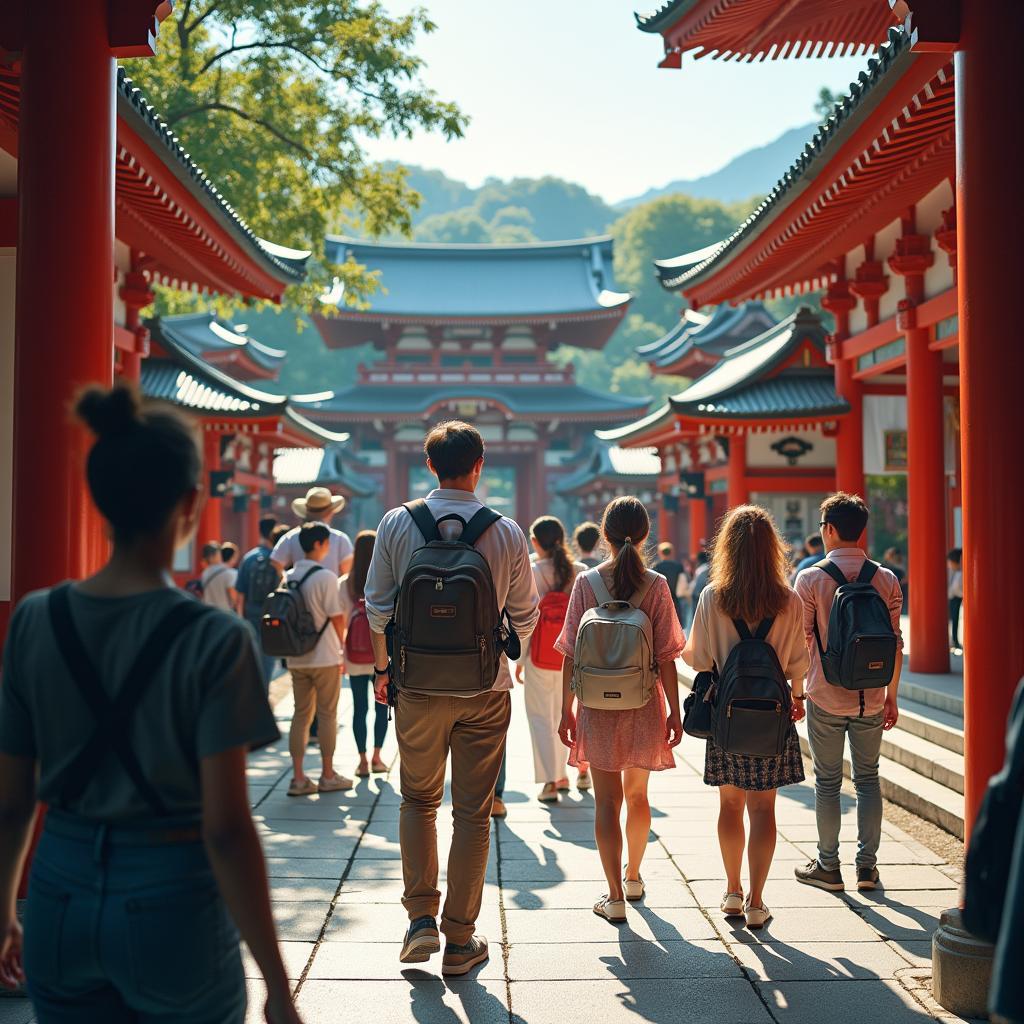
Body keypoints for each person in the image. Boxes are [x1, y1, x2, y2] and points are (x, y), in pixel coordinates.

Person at [0, 383, 300, 1024]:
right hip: (173, 893)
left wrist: (5, 912)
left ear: (100, 498)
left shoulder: (33, 621)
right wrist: (277, 982)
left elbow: (12, 799)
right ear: (191, 504)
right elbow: (225, 827)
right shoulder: (216, 639)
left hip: (60, 889)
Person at [365, 421, 538, 977]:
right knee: (473, 814)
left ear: (429, 463)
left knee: (418, 801)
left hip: (414, 685)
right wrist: (503, 658)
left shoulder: (397, 521)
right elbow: (527, 612)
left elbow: (376, 607)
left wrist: (383, 669)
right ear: (480, 464)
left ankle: (420, 921)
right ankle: (461, 942)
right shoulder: (506, 531)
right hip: (485, 689)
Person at [556, 496, 685, 924]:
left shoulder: (586, 582)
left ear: (605, 535)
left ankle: (613, 896)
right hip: (644, 701)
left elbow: (571, 652)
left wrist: (564, 708)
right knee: (638, 796)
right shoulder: (657, 585)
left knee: (606, 802)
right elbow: (666, 654)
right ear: (645, 534)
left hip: (595, 703)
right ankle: (633, 875)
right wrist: (674, 711)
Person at [683, 505, 809, 929]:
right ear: (773, 549)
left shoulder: (713, 596)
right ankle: (758, 900)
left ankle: (732, 891)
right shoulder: (788, 599)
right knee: (764, 810)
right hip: (774, 718)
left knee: (731, 803)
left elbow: (698, 659)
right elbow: (797, 664)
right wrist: (798, 696)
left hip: (727, 717)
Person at [794, 492, 903, 893]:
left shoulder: (809, 579)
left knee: (827, 783)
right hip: (873, 695)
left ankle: (828, 866)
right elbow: (895, 643)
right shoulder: (886, 578)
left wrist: (798, 691)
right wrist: (892, 695)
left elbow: (802, 640)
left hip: (826, 693)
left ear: (829, 529)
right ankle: (868, 869)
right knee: (869, 779)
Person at [515, 516, 589, 802]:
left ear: (535, 542)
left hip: (539, 654)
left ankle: (551, 780)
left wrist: (520, 659)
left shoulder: (531, 572)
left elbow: (524, 618)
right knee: (572, 714)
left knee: (540, 718)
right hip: (574, 654)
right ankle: (575, 769)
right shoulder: (580, 571)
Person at [283, 523, 352, 798]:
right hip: (323, 655)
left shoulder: (288, 576)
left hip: (296, 655)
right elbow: (336, 616)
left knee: (300, 715)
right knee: (327, 715)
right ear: (322, 544)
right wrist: (342, 648)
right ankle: (327, 774)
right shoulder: (326, 577)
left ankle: (298, 778)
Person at [338, 530, 388, 779]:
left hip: (354, 654)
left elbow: (340, 622)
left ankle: (362, 761)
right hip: (381, 654)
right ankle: (378, 757)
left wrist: (340, 656)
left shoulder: (345, 583)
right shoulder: (383, 581)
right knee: (381, 706)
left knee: (359, 708)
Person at [235, 515, 281, 688]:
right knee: (268, 655)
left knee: (252, 655)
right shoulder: (278, 559)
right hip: (273, 613)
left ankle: (252, 691)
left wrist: (241, 617)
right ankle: (264, 690)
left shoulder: (249, 558)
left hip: (251, 611)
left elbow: (240, 593)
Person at [271, 486, 354, 578]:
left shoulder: (292, 537)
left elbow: (275, 563)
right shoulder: (340, 538)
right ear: (330, 512)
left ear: (306, 511)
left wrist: (287, 580)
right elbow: (347, 572)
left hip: (299, 590)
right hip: (331, 590)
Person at [200, 540, 237, 613]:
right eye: (219, 553)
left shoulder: (204, 573)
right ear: (213, 556)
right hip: (225, 613)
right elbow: (234, 596)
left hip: (209, 612)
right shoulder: (228, 572)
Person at [654, 541, 687, 624]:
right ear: (672, 552)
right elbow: (682, 587)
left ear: (660, 553)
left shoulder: (656, 567)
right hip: (675, 600)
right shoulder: (678, 566)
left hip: (661, 601)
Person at [948, 547, 963, 654]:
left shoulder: (960, 574)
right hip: (953, 597)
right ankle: (953, 640)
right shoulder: (954, 572)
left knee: (955, 619)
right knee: (953, 620)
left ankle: (955, 640)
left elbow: (957, 589)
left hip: (957, 597)